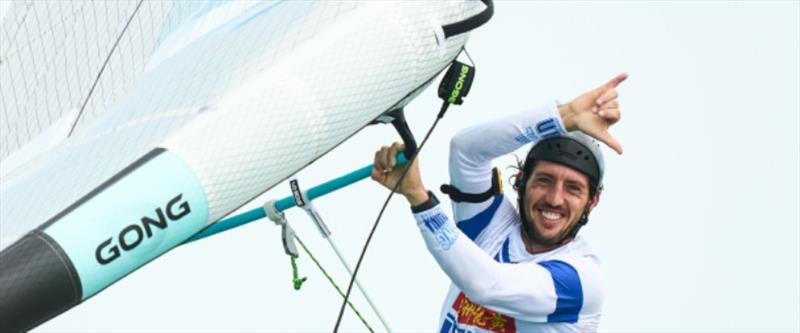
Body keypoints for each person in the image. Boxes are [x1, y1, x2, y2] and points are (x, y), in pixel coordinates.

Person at [371, 73, 627, 332]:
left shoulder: (582, 280)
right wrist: (565, 116)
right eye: (544, 181)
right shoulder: (492, 226)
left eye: (573, 189)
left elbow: (487, 286)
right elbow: (465, 150)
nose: (554, 199)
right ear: (521, 180)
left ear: (592, 201)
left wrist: (419, 198)